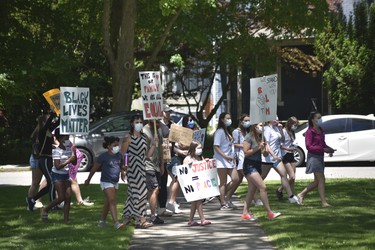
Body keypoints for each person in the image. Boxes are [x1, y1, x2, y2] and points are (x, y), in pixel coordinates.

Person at [241, 122, 281, 220]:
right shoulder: (249, 136)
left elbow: (265, 154)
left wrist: (266, 151)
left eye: (262, 125)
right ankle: (270, 213)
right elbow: (246, 153)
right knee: (263, 187)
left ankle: (245, 213)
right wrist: (258, 147)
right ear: (254, 126)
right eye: (259, 125)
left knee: (251, 190)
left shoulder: (262, 137)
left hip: (257, 164)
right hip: (249, 165)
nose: (261, 127)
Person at [85, 136, 125, 229]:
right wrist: (88, 179)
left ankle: (102, 221)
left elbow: (121, 166)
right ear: (108, 146)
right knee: (112, 201)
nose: (117, 147)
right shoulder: (103, 156)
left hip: (115, 181)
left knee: (108, 202)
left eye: (117, 145)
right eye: (114, 145)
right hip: (106, 182)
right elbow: (94, 169)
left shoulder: (119, 155)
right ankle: (116, 223)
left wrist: (123, 171)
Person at [121, 114, 153, 229]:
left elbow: (147, 155)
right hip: (132, 168)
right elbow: (124, 154)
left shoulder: (144, 137)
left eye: (140, 122)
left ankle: (126, 216)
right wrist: (124, 169)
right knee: (141, 193)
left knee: (132, 194)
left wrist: (154, 144)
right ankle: (141, 219)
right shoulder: (128, 137)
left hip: (141, 167)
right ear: (132, 123)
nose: (139, 124)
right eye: (136, 122)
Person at [298, 111, 334, 207]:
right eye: (318, 118)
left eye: (320, 117)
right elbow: (309, 147)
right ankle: (324, 202)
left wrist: (329, 149)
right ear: (313, 120)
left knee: (317, 181)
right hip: (313, 157)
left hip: (320, 157)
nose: (320, 119)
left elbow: (323, 144)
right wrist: (323, 149)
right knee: (321, 179)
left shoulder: (321, 130)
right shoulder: (310, 132)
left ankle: (301, 194)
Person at [260, 118, 300, 204]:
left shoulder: (276, 128)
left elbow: (282, 140)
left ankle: (291, 196)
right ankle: (253, 195)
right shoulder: (266, 129)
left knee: (283, 174)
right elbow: (266, 144)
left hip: (277, 159)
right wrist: (273, 155)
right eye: (275, 119)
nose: (277, 120)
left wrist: (281, 130)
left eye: (278, 119)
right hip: (268, 159)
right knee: (261, 177)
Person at [40, 128, 76, 223]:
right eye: (65, 138)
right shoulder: (57, 151)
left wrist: (74, 153)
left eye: (68, 137)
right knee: (61, 197)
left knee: (68, 197)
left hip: (66, 175)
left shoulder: (69, 149)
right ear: (59, 139)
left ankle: (66, 220)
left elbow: (74, 162)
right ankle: (45, 209)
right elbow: (57, 166)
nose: (67, 139)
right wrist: (68, 160)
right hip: (57, 175)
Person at [26, 111, 60, 211]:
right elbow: (49, 124)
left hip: (48, 158)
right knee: (52, 182)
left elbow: (56, 124)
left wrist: (61, 115)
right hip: (44, 159)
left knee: (51, 183)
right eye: (50, 120)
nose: (52, 121)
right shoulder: (42, 131)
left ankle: (32, 200)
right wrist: (53, 114)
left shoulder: (48, 131)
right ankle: (53, 204)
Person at [166, 114, 199, 214]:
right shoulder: (179, 132)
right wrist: (182, 151)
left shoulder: (196, 132)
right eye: (189, 120)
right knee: (177, 178)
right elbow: (174, 146)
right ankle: (171, 202)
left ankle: (171, 201)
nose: (191, 122)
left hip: (189, 158)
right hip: (176, 158)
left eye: (192, 120)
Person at [213, 112, 240, 210]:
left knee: (236, 179)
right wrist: (225, 156)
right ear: (222, 120)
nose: (229, 120)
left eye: (230, 118)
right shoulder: (219, 131)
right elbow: (216, 146)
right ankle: (223, 203)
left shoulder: (227, 131)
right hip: (221, 161)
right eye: (227, 118)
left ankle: (221, 195)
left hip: (230, 160)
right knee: (223, 182)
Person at [183, 141, 211, 226]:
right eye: (198, 148)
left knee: (195, 202)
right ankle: (202, 219)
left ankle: (190, 220)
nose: (200, 150)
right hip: (192, 183)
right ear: (193, 149)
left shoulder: (199, 158)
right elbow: (184, 171)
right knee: (198, 201)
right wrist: (188, 166)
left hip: (198, 183)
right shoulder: (187, 159)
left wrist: (205, 162)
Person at [143, 120, 165, 225]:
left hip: (156, 165)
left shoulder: (159, 130)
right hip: (147, 165)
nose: (159, 122)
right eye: (156, 120)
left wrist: (162, 164)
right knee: (154, 189)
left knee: (154, 190)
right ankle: (153, 215)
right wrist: (152, 143)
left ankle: (147, 213)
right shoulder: (144, 132)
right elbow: (146, 154)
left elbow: (161, 148)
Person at [27, 114, 48, 210]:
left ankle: (35, 201)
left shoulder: (41, 131)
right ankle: (30, 203)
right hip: (37, 159)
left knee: (45, 181)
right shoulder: (39, 133)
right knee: (35, 182)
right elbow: (37, 149)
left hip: (38, 158)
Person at [157, 104, 174, 216]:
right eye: (166, 111)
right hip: (158, 157)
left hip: (167, 157)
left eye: (169, 112)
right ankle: (157, 207)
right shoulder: (158, 125)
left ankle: (162, 208)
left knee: (163, 183)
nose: (168, 114)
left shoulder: (172, 125)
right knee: (156, 184)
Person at [279, 116, 299, 195]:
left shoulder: (292, 132)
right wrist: (288, 149)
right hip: (285, 155)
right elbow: (280, 145)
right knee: (291, 176)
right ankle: (280, 189)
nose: (295, 126)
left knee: (293, 177)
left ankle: (292, 193)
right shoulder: (283, 131)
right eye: (294, 124)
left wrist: (294, 147)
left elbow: (292, 142)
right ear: (289, 123)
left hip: (291, 154)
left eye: (296, 124)